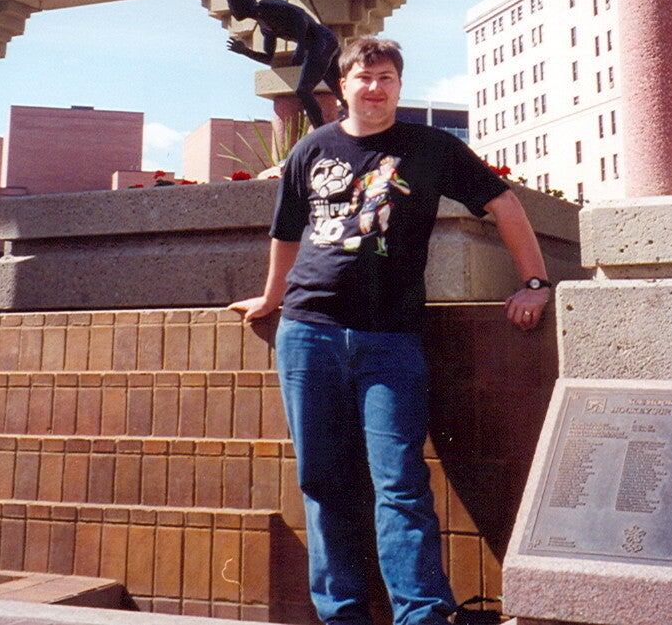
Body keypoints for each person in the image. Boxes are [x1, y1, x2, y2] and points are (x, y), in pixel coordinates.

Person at [229, 36, 551, 625]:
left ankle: (421, 613)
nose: (375, 88)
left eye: (386, 78)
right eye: (364, 77)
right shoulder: (311, 149)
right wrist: (272, 298)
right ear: (342, 85)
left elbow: (504, 204)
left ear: (399, 87)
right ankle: (342, 614)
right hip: (307, 333)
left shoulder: (430, 148)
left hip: (390, 339)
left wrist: (534, 282)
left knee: (399, 482)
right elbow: (287, 233)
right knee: (322, 481)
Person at [225, 0, 345, 129]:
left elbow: (300, 16)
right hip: (320, 44)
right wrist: (245, 51)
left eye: (231, 6)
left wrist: (300, 47)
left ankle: (321, 132)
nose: (231, 11)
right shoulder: (265, 28)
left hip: (322, 40)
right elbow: (268, 57)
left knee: (303, 90)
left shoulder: (267, 5)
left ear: (242, 3)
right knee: (339, 90)